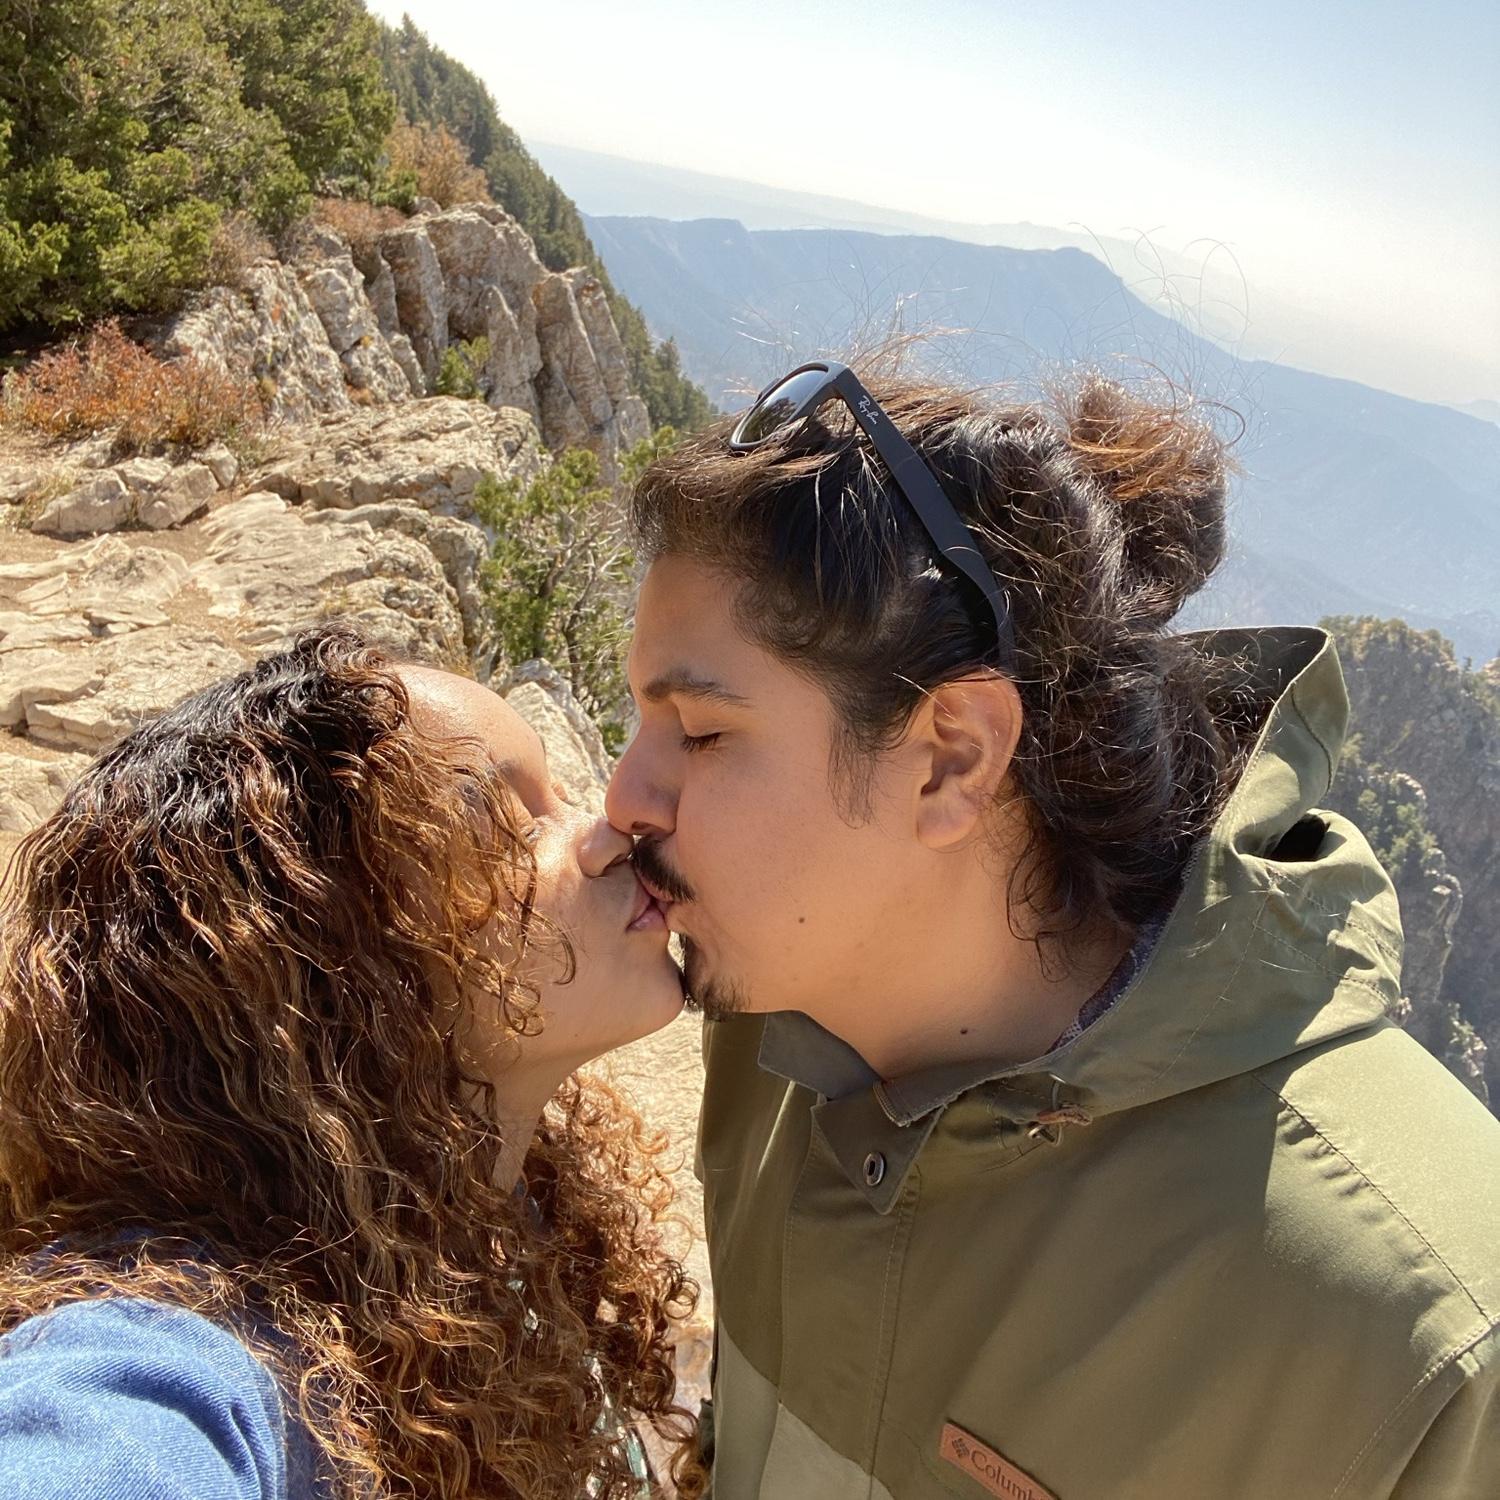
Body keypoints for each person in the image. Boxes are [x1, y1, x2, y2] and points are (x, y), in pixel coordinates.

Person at [606, 360, 1500, 1499]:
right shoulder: (774, 1028)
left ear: (953, 758)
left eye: (700, 730)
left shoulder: (1426, 1333)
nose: (624, 798)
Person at [0, 624, 700, 1500]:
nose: (606, 835)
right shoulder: (183, 1366)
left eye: (556, 800)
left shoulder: (498, 1221)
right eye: (497, 827)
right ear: (325, 971)